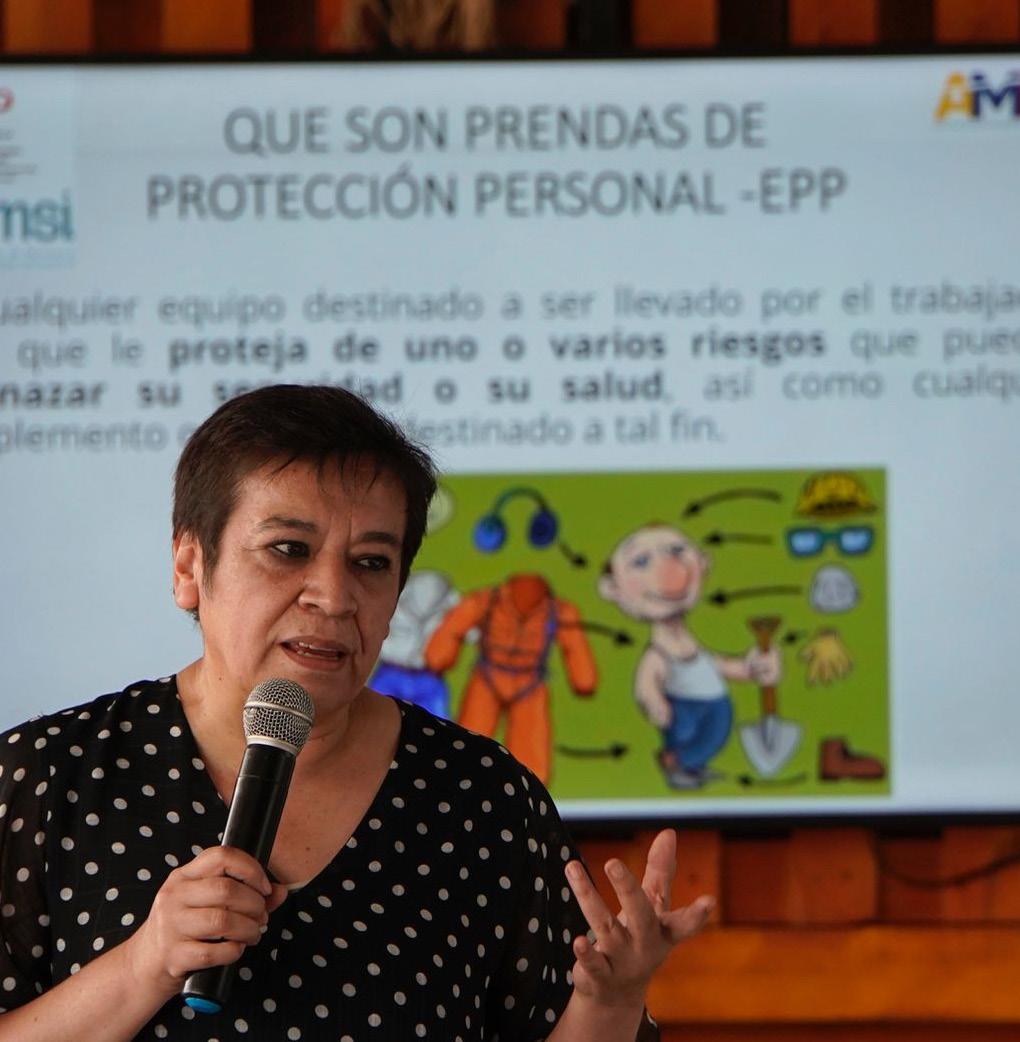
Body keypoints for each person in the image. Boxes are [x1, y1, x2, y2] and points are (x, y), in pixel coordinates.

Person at [0, 385, 713, 1041]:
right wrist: (145, 963)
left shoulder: (483, 799)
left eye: (370, 563)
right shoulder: (48, 776)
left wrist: (611, 1002)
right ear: (190, 566)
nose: (334, 597)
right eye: (288, 550)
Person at [598, 523, 781, 789]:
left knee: (710, 741)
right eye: (641, 561)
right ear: (613, 588)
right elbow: (646, 682)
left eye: (677, 551)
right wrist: (653, 701)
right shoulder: (658, 653)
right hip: (684, 708)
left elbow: (715, 665)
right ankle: (674, 764)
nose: (670, 569)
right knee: (686, 740)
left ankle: (691, 768)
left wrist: (750, 669)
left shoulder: (692, 646)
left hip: (715, 706)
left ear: (702, 564)